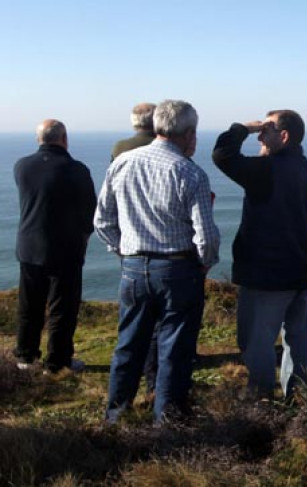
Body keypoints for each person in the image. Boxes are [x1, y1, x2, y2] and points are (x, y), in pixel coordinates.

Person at [95, 99, 219, 423]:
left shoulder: (122, 163)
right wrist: (205, 263)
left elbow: (102, 222)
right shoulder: (191, 173)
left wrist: (124, 253)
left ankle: (115, 417)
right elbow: (205, 236)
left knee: (129, 345)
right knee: (174, 350)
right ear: (189, 133)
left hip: (133, 268)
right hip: (178, 268)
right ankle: (167, 423)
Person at [212, 110, 307, 400]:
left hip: (266, 276)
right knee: (298, 342)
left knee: (256, 342)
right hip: (302, 273)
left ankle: (261, 400)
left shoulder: (268, 170)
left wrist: (243, 128)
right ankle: (298, 399)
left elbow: (223, 155)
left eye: (266, 130)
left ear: (283, 136)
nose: (259, 135)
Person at [14, 120, 96, 373]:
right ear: (64, 138)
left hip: (29, 245)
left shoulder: (22, 166)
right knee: (62, 308)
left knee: (29, 305)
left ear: (39, 139)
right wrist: (84, 234)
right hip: (66, 247)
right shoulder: (76, 169)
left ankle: (26, 356)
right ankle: (57, 361)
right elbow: (90, 210)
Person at [110, 102, 160, 394]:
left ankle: (124, 388)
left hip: (131, 235)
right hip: (163, 238)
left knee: (134, 309)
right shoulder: (166, 145)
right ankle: (155, 373)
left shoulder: (120, 147)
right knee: (162, 315)